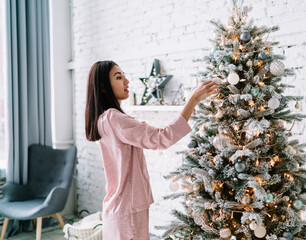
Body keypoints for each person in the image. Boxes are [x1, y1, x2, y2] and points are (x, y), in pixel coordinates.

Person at [85, 60, 219, 240]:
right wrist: (193, 100)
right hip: (128, 208)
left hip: (119, 208)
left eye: (124, 76)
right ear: (103, 87)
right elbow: (163, 138)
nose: (126, 81)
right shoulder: (114, 118)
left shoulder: (103, 119)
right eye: (118, 77)